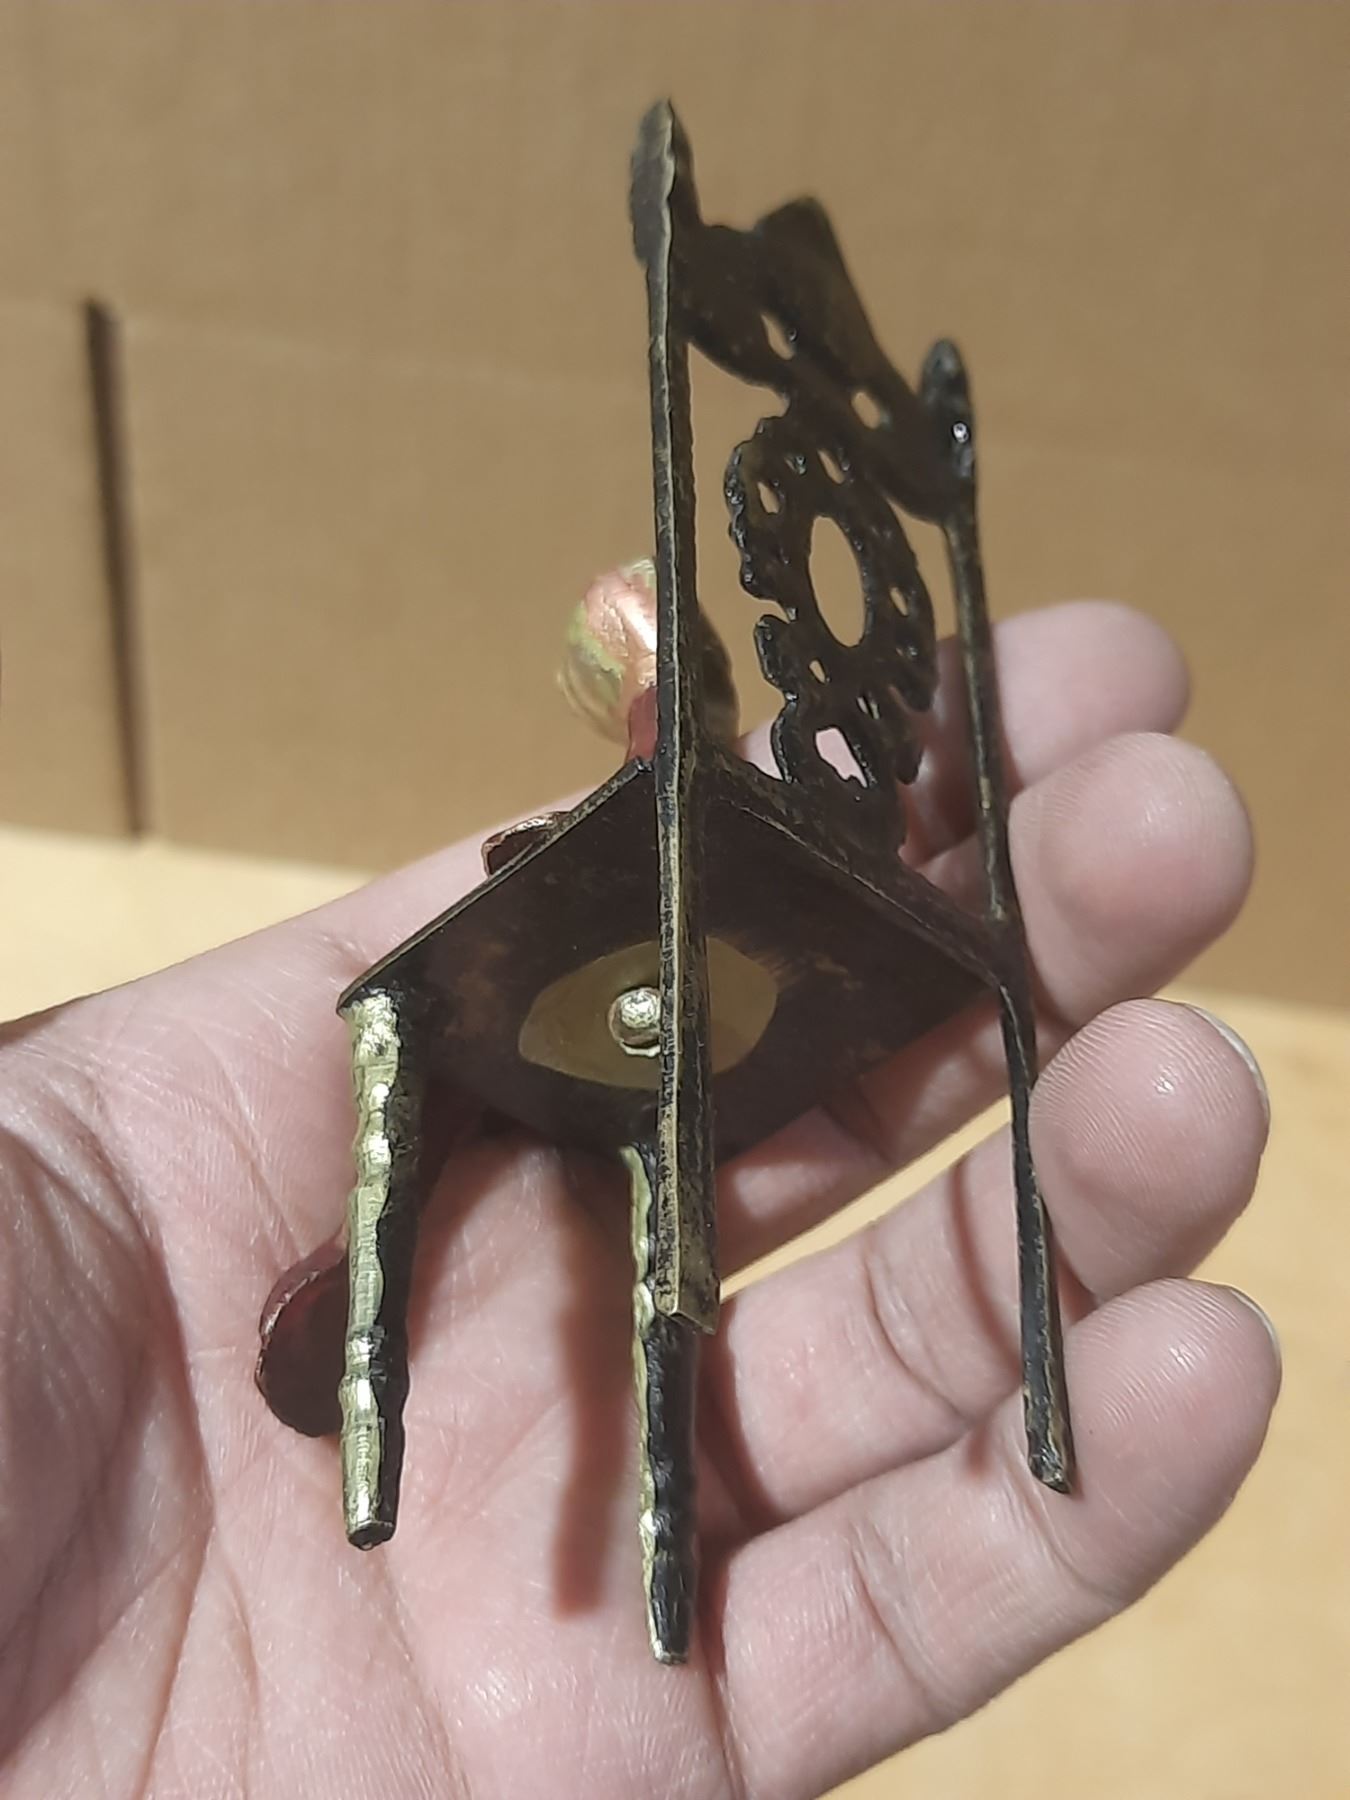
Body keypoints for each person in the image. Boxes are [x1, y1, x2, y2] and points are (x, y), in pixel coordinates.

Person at [0, 597, 1276, 1797]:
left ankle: (396, 1349)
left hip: (647, 992)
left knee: (622, 1234)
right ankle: (373, 1345)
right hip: (595, 1006)